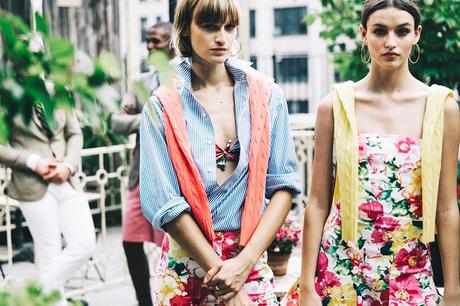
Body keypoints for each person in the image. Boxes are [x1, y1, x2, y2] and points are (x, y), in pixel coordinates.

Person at [293, 0, 460, 305]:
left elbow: (447, 208)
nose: (391, 42)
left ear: (417, 34)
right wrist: (306, 286)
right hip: (341, 270)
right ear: (363, 34)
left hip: (410, 270)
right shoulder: (335, 105)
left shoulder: (441, 107)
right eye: (380, 31)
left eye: (402, 31)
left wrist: (453, 290)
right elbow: (317, 201)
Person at [139, 0, 301, 304]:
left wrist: (244, 264)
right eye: (210, 26)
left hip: (248, 257)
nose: (222, 37)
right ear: (186, 29)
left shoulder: (267, 96)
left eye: (229, 27)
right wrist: (227, 280)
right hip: (186, 263)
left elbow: (284, 185)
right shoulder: (162, 104)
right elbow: (164, 202)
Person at [0, 103, 96, 306]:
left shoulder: (59, 91)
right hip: (31, 183)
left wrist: (69, 165)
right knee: (48, 253)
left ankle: (34, 293)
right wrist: (33, 161)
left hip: (66, 180)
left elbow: (74, 134)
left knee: (85, 244)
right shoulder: (8, 95)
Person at [111, 21, 173, 306]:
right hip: (141, 175)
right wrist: (151, 116)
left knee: (171, 248)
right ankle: (144, 302)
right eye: (147, 40)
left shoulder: (188, 80)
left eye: (156, 41)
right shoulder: (140, 83)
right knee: (130, 241)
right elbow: (116, 122)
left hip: (173, 180)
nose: (149, 46)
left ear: (172, 44)